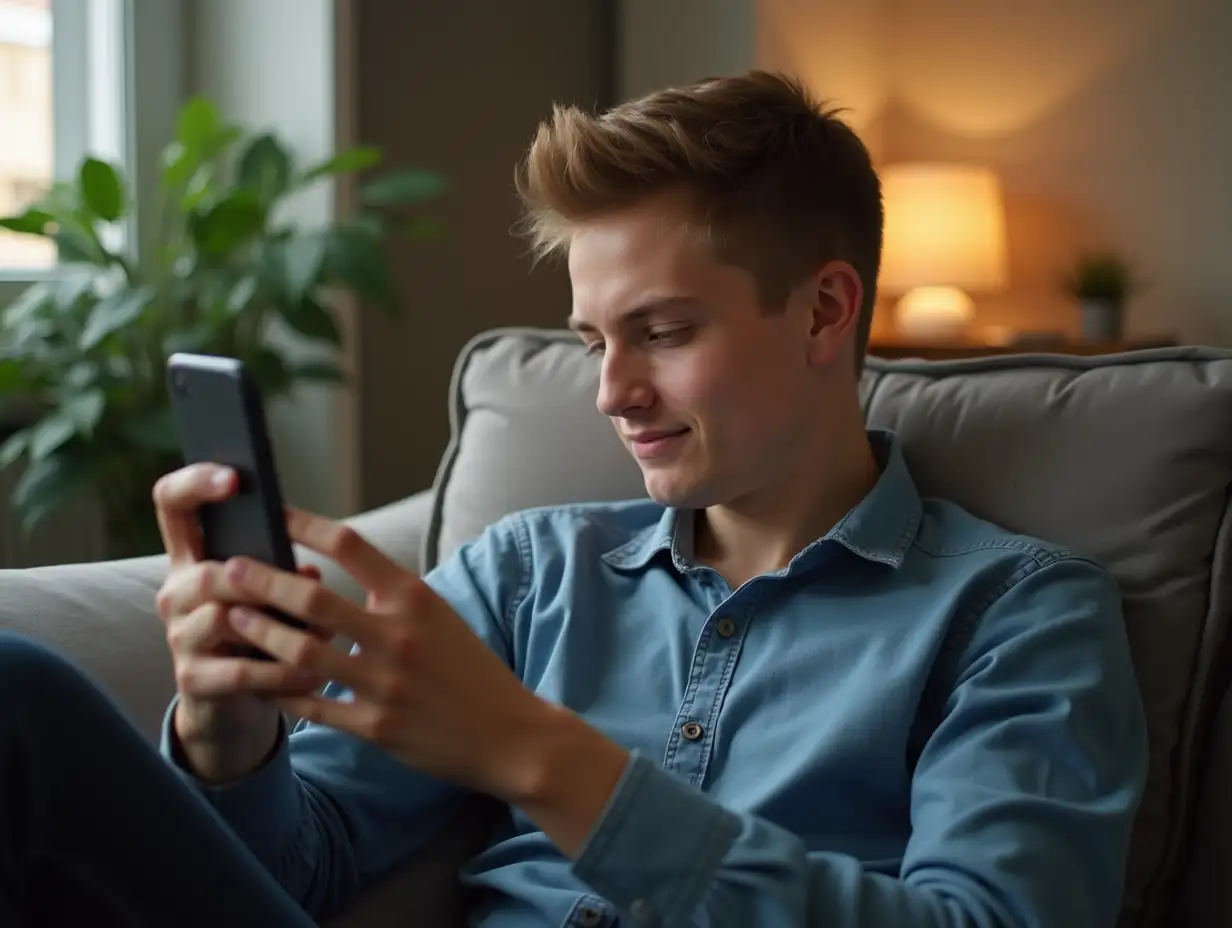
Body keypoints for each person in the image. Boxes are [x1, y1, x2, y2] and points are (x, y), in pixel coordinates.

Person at [0, 70, 1148, 927]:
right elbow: (302, 869)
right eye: (594, 339)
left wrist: (536, 753)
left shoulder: (1015, 615)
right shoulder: (526, 574)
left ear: (820, 310)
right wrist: (228, 730)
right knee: (23, 695)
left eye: (661, 331)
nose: (611, 391)